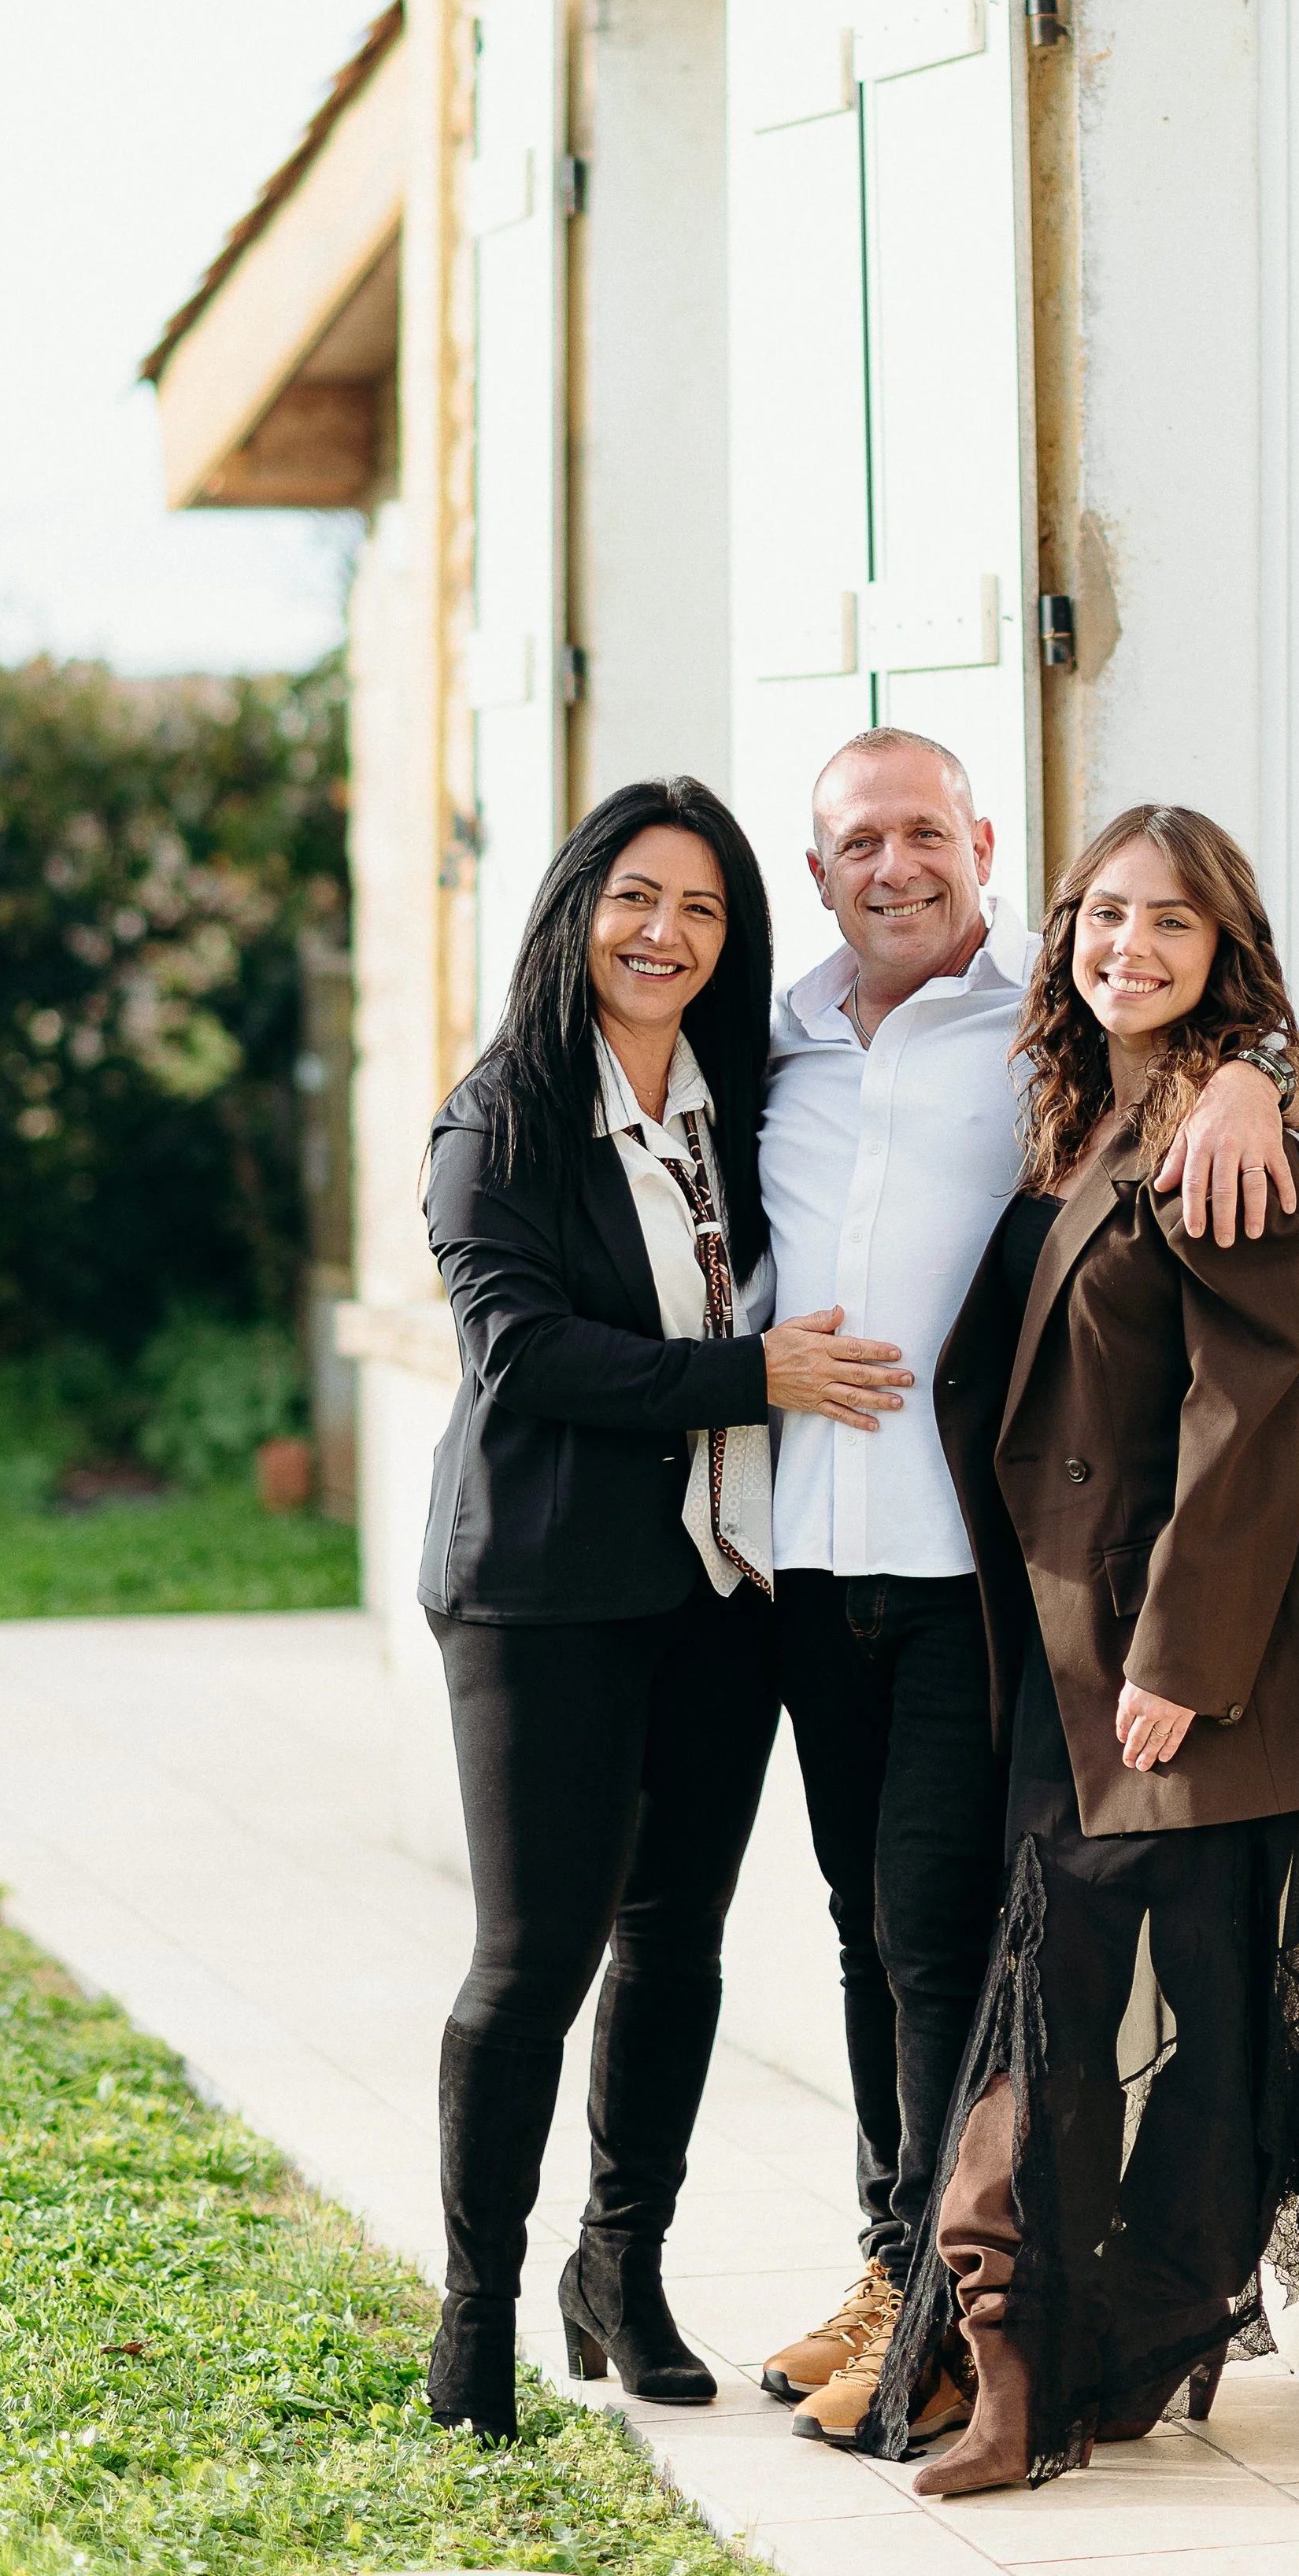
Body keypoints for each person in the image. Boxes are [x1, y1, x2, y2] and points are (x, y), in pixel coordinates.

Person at [754, 731, 1299, 2451]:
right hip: (985, 1608)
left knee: (1063, 1998)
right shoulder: (1046, 1076)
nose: (1125, 948)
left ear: (979, 848)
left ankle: (1001, 2341)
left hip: (1119, 1641)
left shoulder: (1216, 1111)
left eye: (1168, 927)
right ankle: (943, 2305)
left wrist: (1264, 1069)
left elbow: (1248, 1410)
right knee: (950, 1965)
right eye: (1106, 918)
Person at [416, 777, 911, 2444]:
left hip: (718, 1586)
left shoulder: (744, 1097)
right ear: (576, 910)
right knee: (532, 1956)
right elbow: (523, 1351)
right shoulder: (501, 1119)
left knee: (675, 1946)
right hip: (543, 1594)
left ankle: (616, 2267)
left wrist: (1257, 1076)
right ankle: (476, 2308)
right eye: (636, 897)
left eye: (700, 909)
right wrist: (750, 1376)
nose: (664, 934)